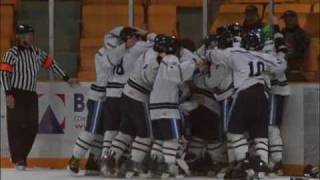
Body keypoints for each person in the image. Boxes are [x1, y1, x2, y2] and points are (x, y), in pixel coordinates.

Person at [205, 30, 287, 179]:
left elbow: (213, 56)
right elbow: (281, 66)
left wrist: (209, 49)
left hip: (244, 94)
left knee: (234, 132)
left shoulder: (236, 53)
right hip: (262, 95)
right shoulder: (265, 56)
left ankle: (244, 162)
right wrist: (280, 52)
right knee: (261, 134)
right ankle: (261, 166)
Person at [0, 24, 76, 170]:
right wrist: (8, 93)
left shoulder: (36, 52)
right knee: (15, 127)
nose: (31, 36)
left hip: (31, 94)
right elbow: (4, 74)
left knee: (33, 127)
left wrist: (67, 78)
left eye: (31, 34)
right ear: (20, 37)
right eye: (29, 34)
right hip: (16, 93)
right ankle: (19, 159)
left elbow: (51, 64)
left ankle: (20, 156)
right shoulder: (11, 53)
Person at [100, 27, 156, 177]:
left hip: (114, 94)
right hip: (132, 93)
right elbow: (160, 42)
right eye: (135, 36)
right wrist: (145, 33)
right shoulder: (139, 47)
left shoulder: (112, 50)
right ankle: (134, 165)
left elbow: (106, 62)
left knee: (121, 131)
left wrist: (124, 43)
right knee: (144, 132)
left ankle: (108, 161)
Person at [67, 26, 123, 175]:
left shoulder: (118, 53)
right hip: (99, 97)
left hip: (111, 97)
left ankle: (93, 161)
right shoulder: (102, 54)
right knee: (92, 131)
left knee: (103, 133)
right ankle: (75, 159)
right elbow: (111, 62)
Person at [281, 10, 310, 81]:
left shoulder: (302, 34)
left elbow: (303, 53)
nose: (287, 21)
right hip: (283, 70)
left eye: (290, 18)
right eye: (286, 19)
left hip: (297, 70)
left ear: (295, 19)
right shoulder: (282, 33)